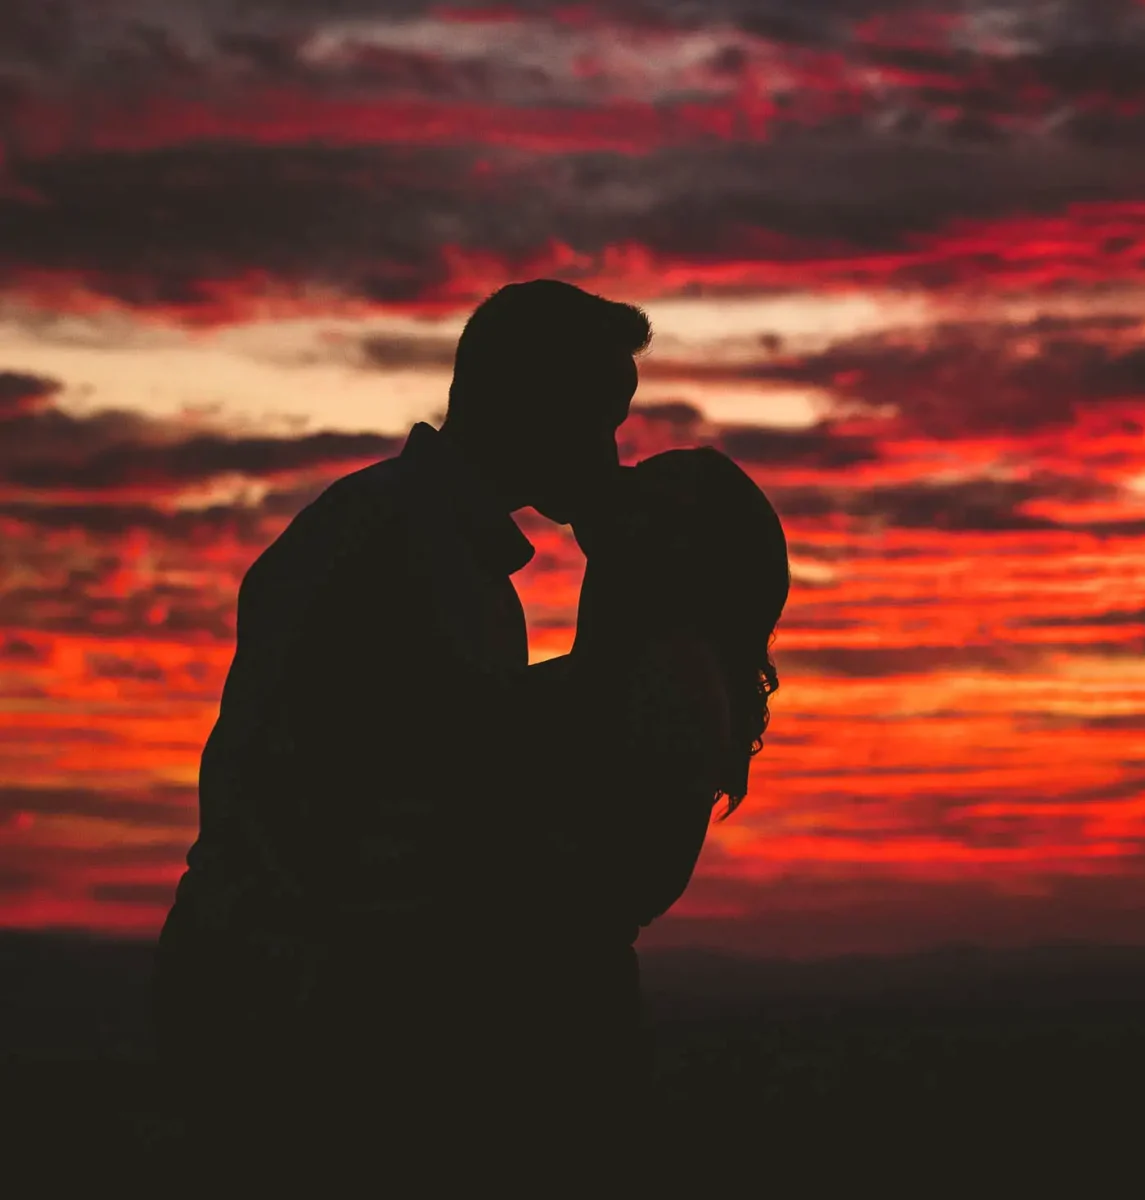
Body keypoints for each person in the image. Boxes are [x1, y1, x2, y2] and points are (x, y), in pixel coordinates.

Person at [153, 280, 651, 1174]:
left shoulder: (414, 538)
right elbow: (460, 769)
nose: (610, 453)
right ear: (526, 400)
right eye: (597, 417)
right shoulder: (406, 548)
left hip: (284, 991)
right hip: (298, 1017)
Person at [524, 446, 790, 1139]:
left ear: (682, 551)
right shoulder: (643, 667)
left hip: (541, 1031)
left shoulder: (667, 678)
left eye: (652, 489)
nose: (623, 479)